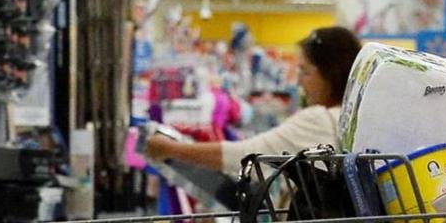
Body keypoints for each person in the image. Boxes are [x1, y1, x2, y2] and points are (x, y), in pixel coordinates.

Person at [142, 26, 363, 174]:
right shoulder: (360, 120)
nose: (299, 83)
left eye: (305, 72)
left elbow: (244, 156)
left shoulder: (320, 120)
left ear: (330, 73)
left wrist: (171, 149)